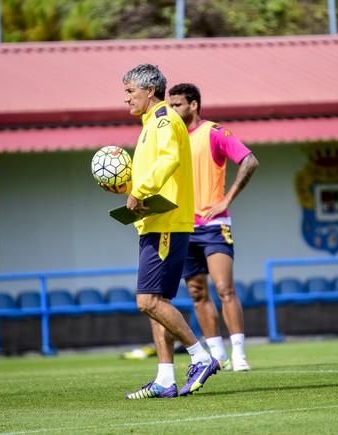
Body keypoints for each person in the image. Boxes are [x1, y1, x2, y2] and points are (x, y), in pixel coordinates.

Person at [104, 64, 219, 398]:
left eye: (130, 91)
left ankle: (200, 357)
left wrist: (140, 191)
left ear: (149, 90)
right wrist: (127, 187)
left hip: (166, 223)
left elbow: (169, 159)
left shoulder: (164, 119)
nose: (126, 98)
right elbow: (155, 168)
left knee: (148, 301)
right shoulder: (150, 124)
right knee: (160, 303)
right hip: (154, 222)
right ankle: (165, 378)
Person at [168, 83, 259, 371]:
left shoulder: (215, 133)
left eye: (177, 105)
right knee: (196, 292)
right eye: (170, 105)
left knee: (224, 288)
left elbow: (250, 161)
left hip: (214, 225)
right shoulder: (171, 139)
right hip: (183, 226)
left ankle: (239, 354)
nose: (172, 110)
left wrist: (227, 199)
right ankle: (216, 354)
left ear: (193, 105)